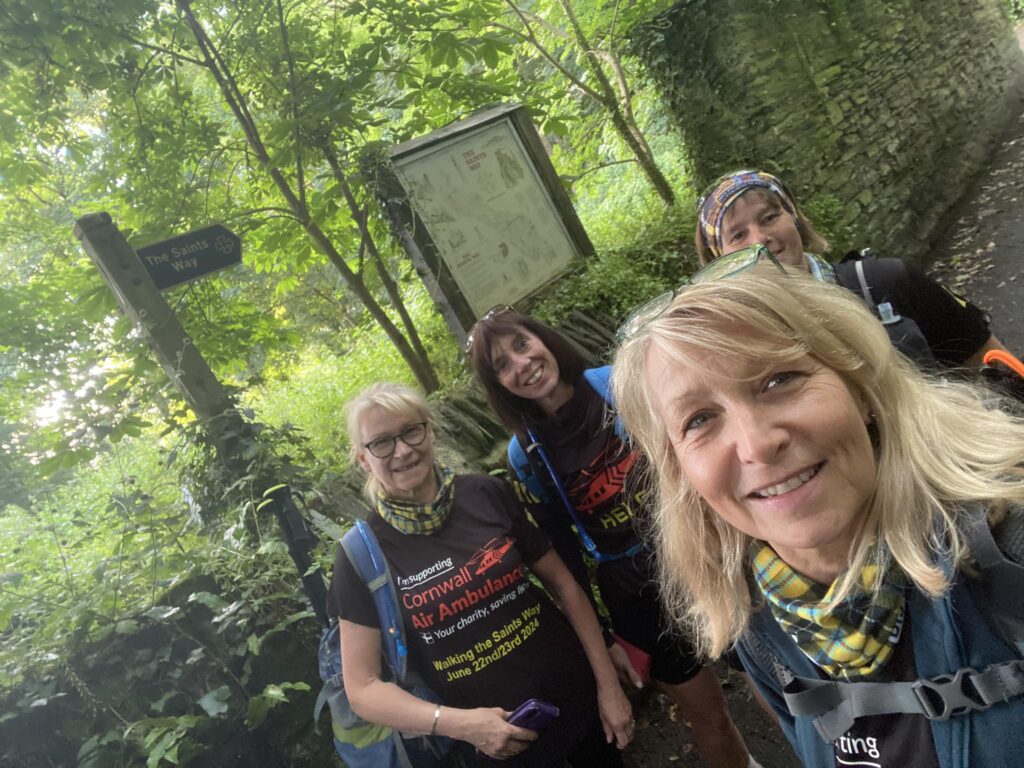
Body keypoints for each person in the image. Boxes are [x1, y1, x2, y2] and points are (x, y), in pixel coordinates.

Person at [611, 271, 1024, 767]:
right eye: (699, 419)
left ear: (862, 388)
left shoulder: (1010, 547)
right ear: (681, 474)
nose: (757, 443)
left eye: (778, 379)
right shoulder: (756, 615)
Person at [467, 310, 757, 768]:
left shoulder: (624, 383)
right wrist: (604, 637)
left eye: (521, 345)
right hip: (636, 591)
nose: (520, 365)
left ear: (544, 338)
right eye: (502, 365)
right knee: (709, 716)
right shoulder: (525, 455)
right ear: (498, 385)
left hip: (703, 553)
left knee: (773, 680)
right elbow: (562, 552)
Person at [327, 383, 633, 767]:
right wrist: (460, 725)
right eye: (382, 442)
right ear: (363, 459)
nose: (402, 450)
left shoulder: (486, 493)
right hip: (494, 747)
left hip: (576, 700)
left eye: (411, 430)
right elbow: (363, 689)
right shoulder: (360, 556)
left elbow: (564, 585)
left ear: (431, 429)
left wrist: (607, 687)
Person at [694, 168, 1009, 368]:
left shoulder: (886, 282)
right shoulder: (737, 349)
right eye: (738, 235)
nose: (761, 240)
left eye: (769, 217)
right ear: (720, 260)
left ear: (794, 219)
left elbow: (999, 372)